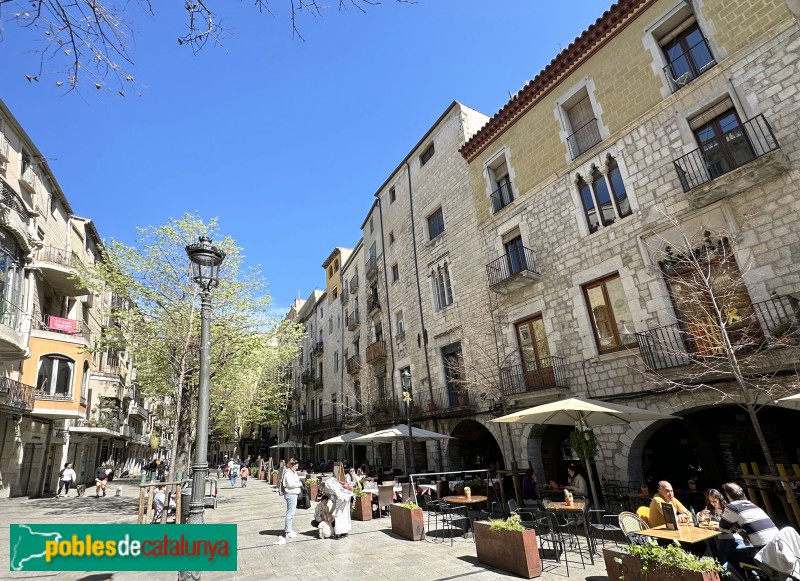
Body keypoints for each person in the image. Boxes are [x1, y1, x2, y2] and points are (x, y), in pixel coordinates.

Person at [719, 482, 779, 579]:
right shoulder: (752, 505)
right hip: (778, 548)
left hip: (764, 553)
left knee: (730, 554)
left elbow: (723, 528)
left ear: (728, 496)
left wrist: (737, 529)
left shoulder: (732, 507)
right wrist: (740, 530)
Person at [705, 488, 745, 569]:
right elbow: (705, 517)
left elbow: (735, 527)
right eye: (710, 501)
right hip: (724, 538)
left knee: (724, 562)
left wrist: (719, 527)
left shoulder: (728, 509)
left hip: (734, 537)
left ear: (720, 499)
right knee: (724, 561)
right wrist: (700, 514)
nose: (713, 503)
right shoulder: (710, 508)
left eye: (714, 501)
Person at [274, 458, 302, 545]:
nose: (297, 467)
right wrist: (299, 484)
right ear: (291, 465)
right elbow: (290, 484)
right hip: (291, 494)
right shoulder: (288, 473)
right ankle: (288, 532)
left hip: (294, 494)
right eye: (295, 466)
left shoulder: (293, 472)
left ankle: (290, 529)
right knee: (290, 513)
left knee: (292, 513)